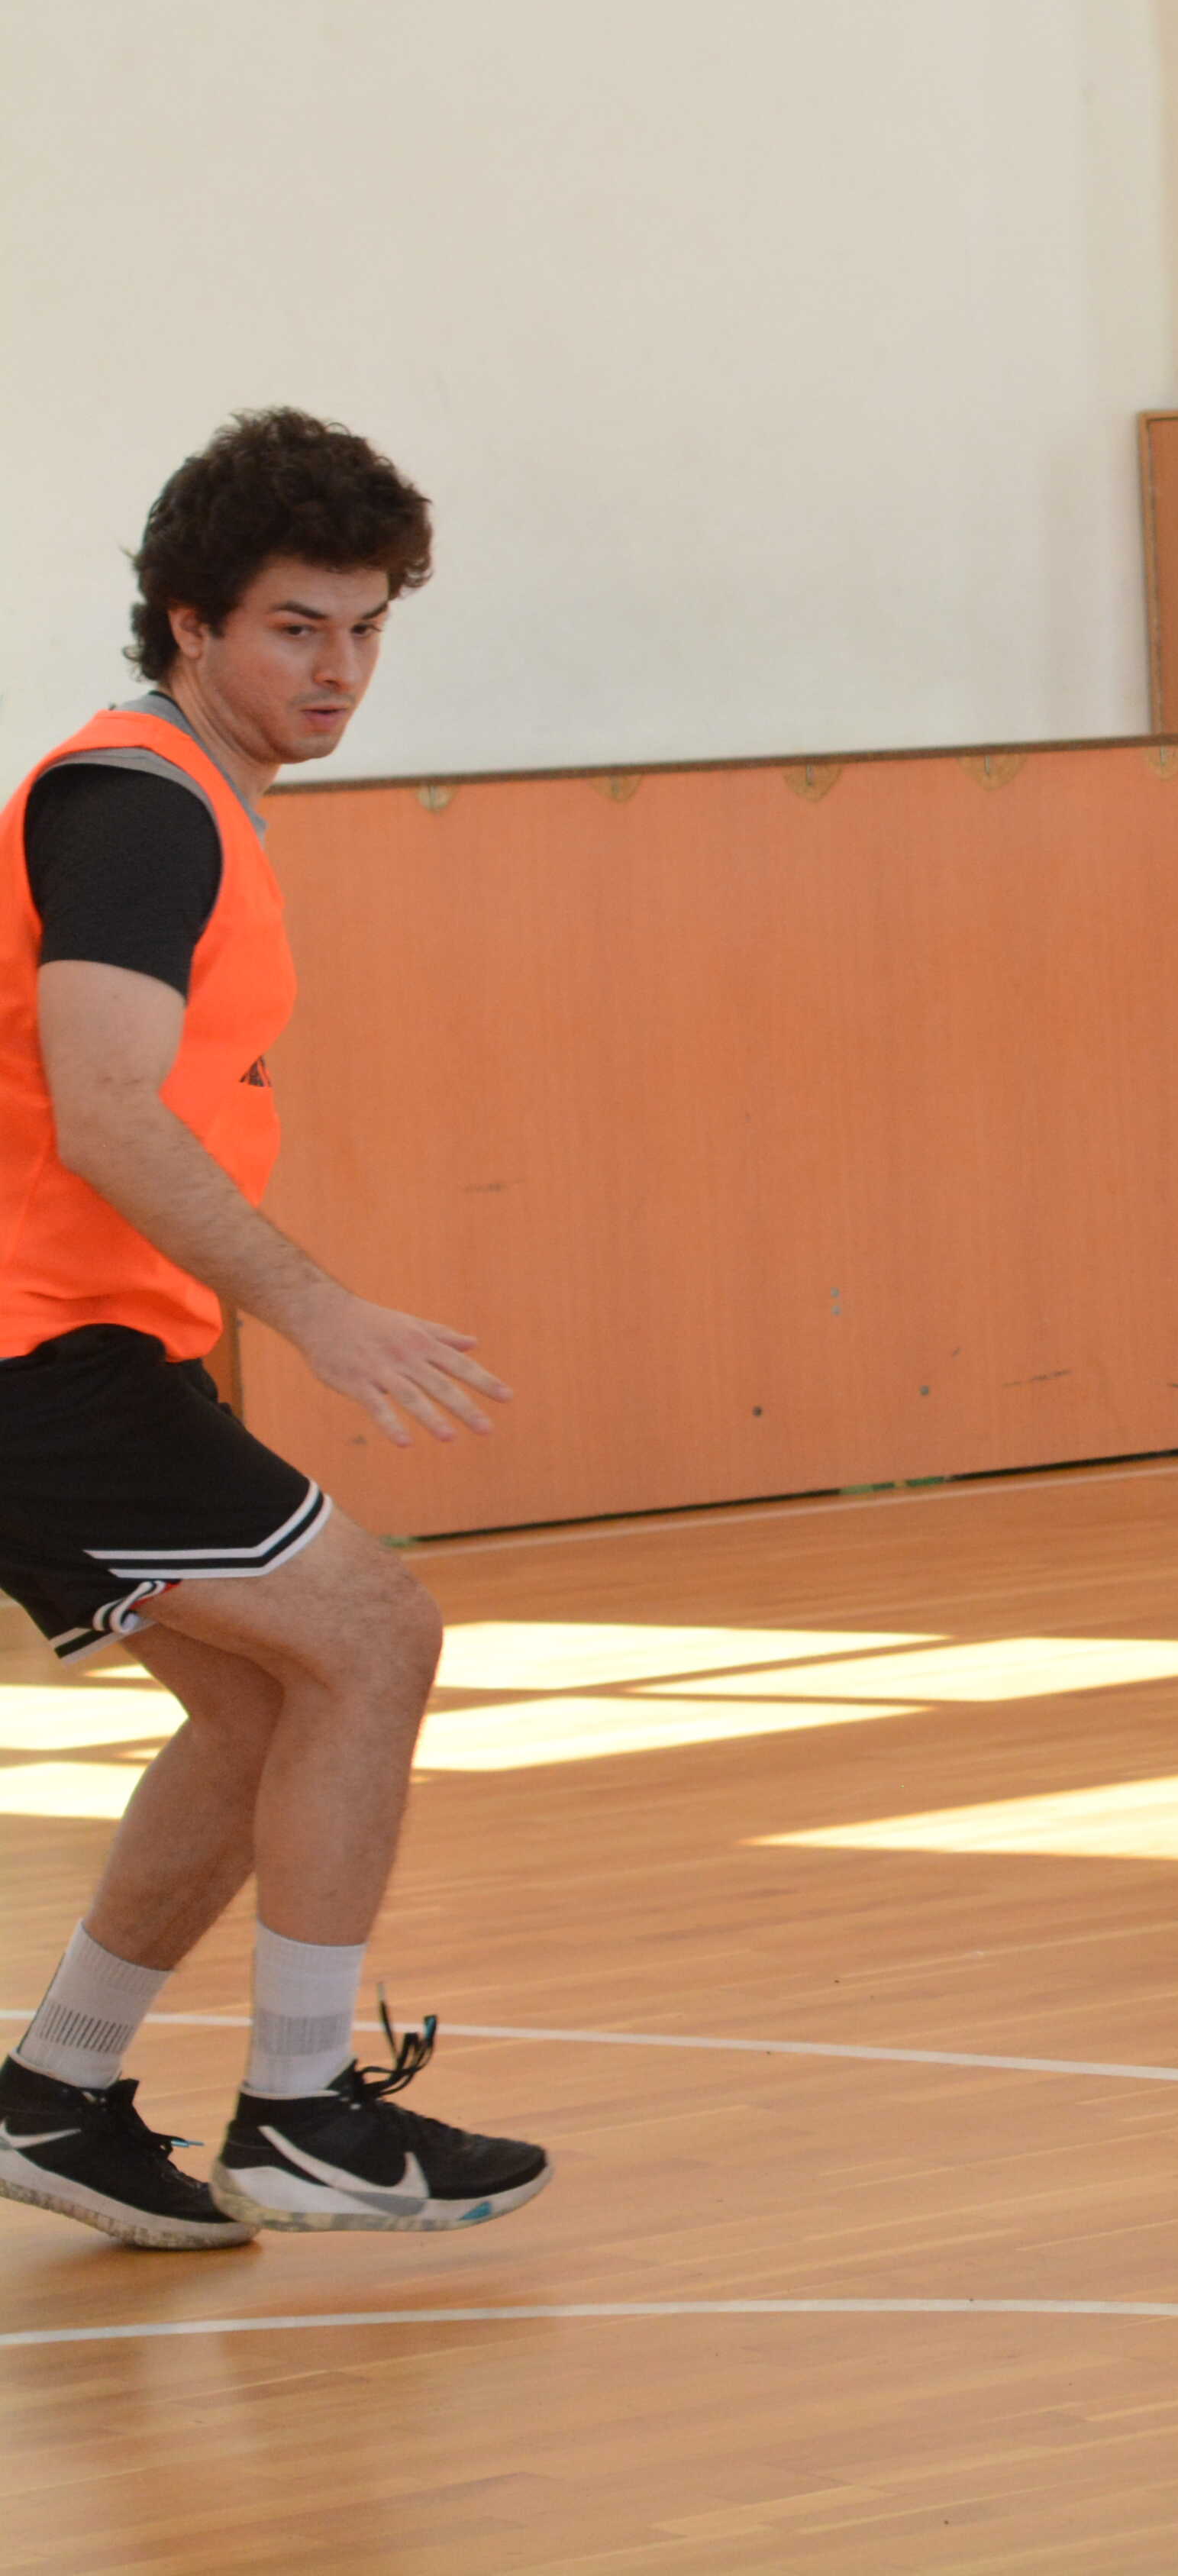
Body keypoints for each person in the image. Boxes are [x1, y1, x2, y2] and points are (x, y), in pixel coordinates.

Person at [0, 409, 549, 2252]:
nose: (338, 668)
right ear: (189, 623)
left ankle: (62, 2090)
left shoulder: (185, 800)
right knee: (377, 1631)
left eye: (368, 627)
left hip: (72, 1343)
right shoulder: (140, 803)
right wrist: (312, 1303)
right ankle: (304, 2115)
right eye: (296, 626)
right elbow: (105, 1102)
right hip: (27, 1350)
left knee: (265, 1695)